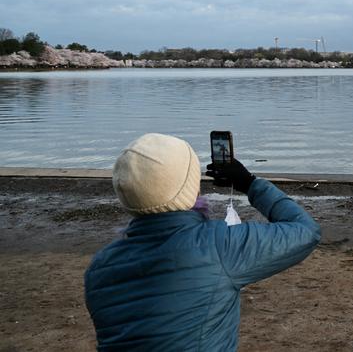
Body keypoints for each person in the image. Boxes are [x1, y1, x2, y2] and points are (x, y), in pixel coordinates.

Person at [84, 133, 320, 350]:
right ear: (189, 185)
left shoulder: (98, 269)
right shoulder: (218, 247)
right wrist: (249, 183)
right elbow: (305, 230)